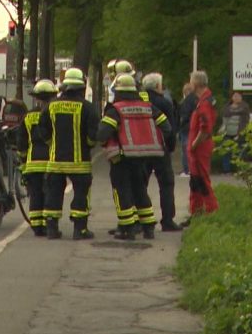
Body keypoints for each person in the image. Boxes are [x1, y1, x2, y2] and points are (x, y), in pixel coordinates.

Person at [97, 73, 171, 240]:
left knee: (122, 191)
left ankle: (128, 228)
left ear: (117, 91)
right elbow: (166, 126)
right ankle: (148, 227)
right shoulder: (148, 107)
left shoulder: (115, 110)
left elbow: (102, 133)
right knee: (140, 189)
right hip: (143, 157)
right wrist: (159, 143)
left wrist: (108, 141)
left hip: (121, 158)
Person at [34, 67, 99, 240]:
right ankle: (80, 230)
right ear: (81, 87)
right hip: (80, 162)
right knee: (81, 194)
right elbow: (94, 134)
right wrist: (88, 145)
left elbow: (43, 130)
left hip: (55, 161)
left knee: (53, 194)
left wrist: (51, 144)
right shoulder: (88, 108)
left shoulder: (50, 106)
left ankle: (52, 229)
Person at [17, 79, 57, 237]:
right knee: (49, 193)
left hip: (32, 163)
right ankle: (48, 224)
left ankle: (36, 226)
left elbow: (21, 141)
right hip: (51, 161)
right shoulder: (53, 113)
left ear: (36, 98)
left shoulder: (28, 116)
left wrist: (23, 159)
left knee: (35, 194)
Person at [141, 73, 180, 232]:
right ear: (158, 86)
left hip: (141, 149)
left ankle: (139, 219)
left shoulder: (139, 101)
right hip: (159, 148)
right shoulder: (164, 103)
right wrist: (170, 147)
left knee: (140, 184)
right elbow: (170, 129)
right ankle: (167, 220)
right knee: (166, 184)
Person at [186, 70, 219, 222]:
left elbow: (205, 128)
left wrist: (194, 144)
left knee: (202, 180)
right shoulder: (205, 100)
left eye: (191, 81)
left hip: (200, 148)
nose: (190, 84)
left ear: (197, 83)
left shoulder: (204, 103)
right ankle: (196, 212)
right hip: (198, 148)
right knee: (195, 181)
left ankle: (211, 210)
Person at [220, 91, 250, 172]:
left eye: (238, 96)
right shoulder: (227, 106)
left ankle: (240, 170)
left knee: (240, 151)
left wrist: (233, 113)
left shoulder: (245, 106)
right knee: (225, 151)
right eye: (235, 96)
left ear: (241, 97)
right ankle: (226, 170)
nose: (236, 98)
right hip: (227, 133)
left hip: (239, 132)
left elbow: (245, 120)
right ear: (232, 97)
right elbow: (224, 114)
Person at [176, 82, 196, 177]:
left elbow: (184, 115)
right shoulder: (196, 100)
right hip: (191, 128)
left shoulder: (186, 101)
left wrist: (181, 124)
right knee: (189, 149)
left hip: (186, 128)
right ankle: (190, 169)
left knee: (186, 149)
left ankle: (187, 169)